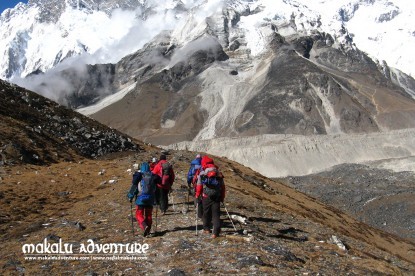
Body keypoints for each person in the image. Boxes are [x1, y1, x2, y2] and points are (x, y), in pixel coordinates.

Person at [195, 156, 225, 238]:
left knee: (206, 212)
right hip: (217, 196)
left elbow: (199, 185)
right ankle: (215, 232)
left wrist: (198, 194)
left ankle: (207, 229)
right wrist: (222, 197)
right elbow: (222, 187)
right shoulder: (218, 173)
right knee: (216, 214)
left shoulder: (203, 173)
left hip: (206, 196)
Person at [127, 162, 160, 237]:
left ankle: (144, 226)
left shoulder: (140, 176)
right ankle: (148, 230)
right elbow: (156, 189)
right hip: (150, 199)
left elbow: (134, 188)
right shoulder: (152, 177)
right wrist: (157, 199)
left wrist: (130, 196)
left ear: (141, 168)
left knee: (139, 214)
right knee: (148, 215)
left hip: (141, 199)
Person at [187, 154, 203, 218]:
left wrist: (188, 182)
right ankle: (202, 208)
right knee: (202, 194)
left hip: (195, 181)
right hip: (202, 182)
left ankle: (197, 207)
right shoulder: (202, 164)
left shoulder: (193, 165)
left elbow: (189, 175)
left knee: (196, 194)